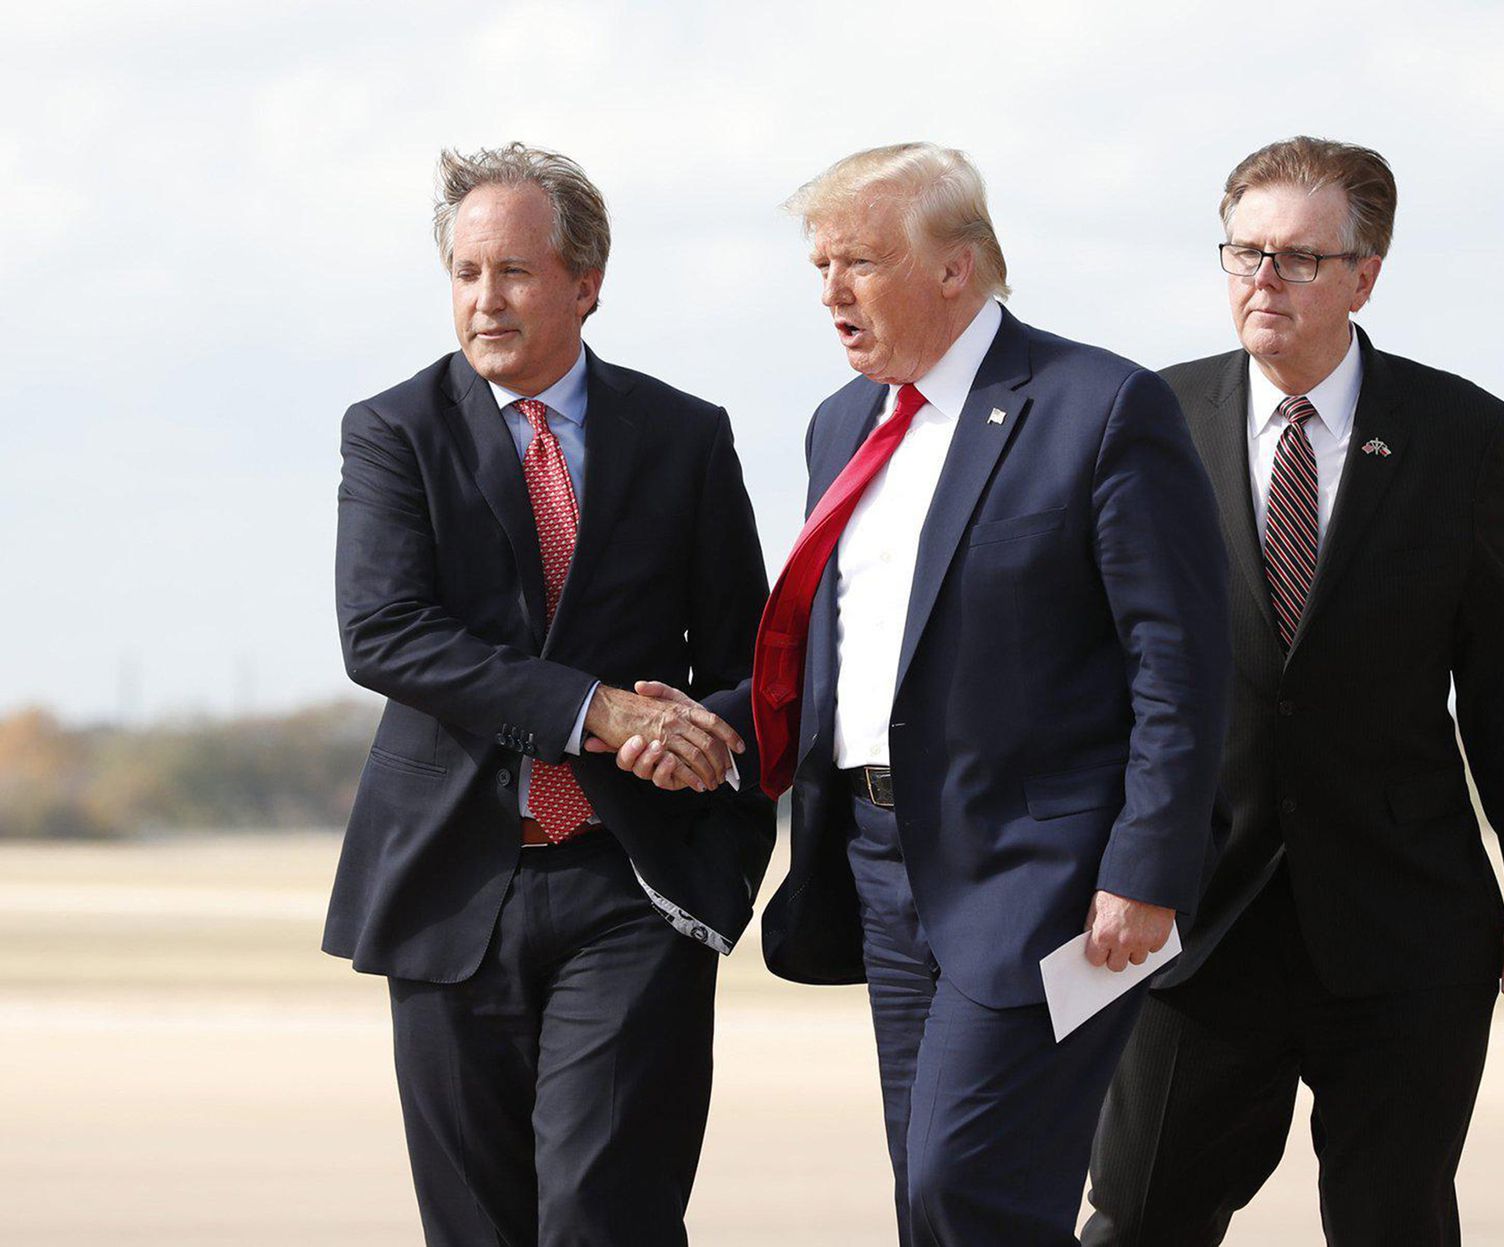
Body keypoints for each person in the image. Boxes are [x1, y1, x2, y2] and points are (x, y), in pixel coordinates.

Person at [1085, 136, 1504, 1247]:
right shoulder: (1142, 422)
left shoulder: (1461, 433)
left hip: (1404, 928)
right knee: (1135, 1221)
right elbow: (1090, 673)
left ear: (1365, 274)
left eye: (1300, 258)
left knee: (1393, 1223)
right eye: (1245, 251)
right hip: (1190, 919)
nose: (1264, 278)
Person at [745, 142, 1230, 1247]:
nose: (829, 291)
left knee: (968, 1186)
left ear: (956, 268)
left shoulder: (1099, 406)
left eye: (857, 261)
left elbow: (1180, 665)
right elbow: (846, 651)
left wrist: (1145, 868)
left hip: (1045, 878)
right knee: (931, 1194)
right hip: (879, 863)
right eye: (819, 264)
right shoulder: (841, 422)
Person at [323, 142, 772, 1247]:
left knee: (601, 1218)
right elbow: (384, 634)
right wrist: (598, 710)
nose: (485, 300)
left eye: (515, 272)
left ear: (586, 280)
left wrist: (696, 736)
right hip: (449, 883)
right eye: (466, 273)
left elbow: (752, 660)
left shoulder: (684, 434)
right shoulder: (393, 431)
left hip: (631, 879)